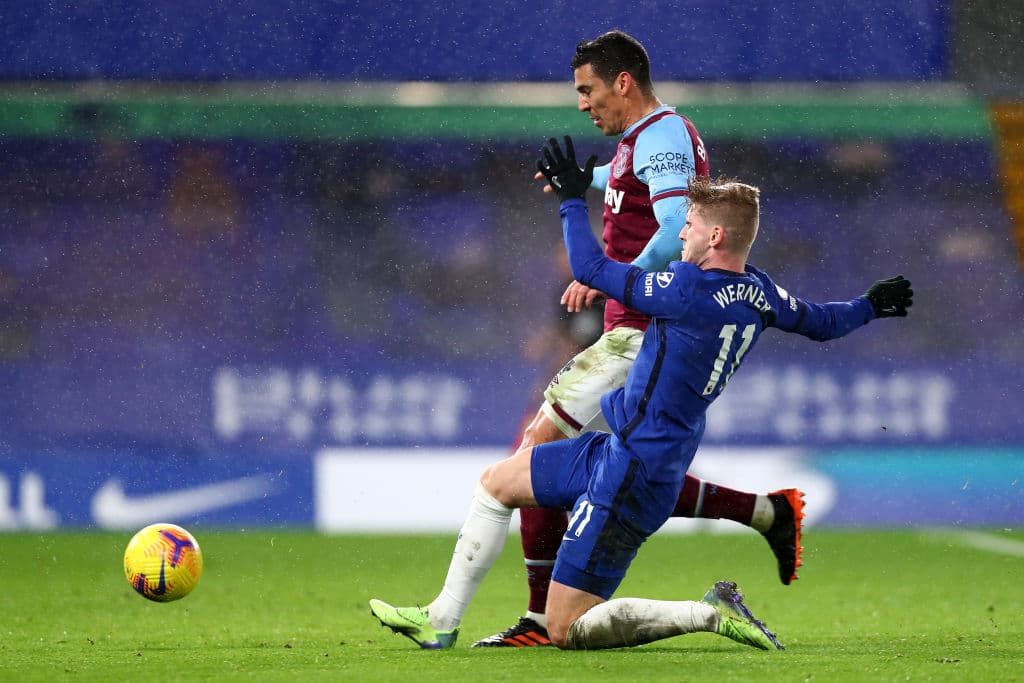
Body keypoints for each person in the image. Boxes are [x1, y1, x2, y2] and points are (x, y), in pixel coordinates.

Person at [368, 137, 913, 651]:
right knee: (497, 484)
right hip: (624, 449)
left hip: (633, 474)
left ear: (716, 237)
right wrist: (871, 304)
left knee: (566, 627)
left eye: (691, 224)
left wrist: (568, 201)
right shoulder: (762, 293)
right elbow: (822, 321)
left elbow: (590, 269)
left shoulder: (685, 290)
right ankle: (441, 621)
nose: (681, 233)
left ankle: (708, 612)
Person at [478, 29, 803, 648]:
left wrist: (615, 281)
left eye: (587, 89)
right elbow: (635, 181)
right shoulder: (645, 144)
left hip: (643, 326)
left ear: (622, 82)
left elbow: (677, 217)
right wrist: (590, 179)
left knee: (533, 457)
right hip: (643, 325)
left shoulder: (664, 132)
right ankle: (767, 514)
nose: (582, 103)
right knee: (621, 469)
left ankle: (537, 618)